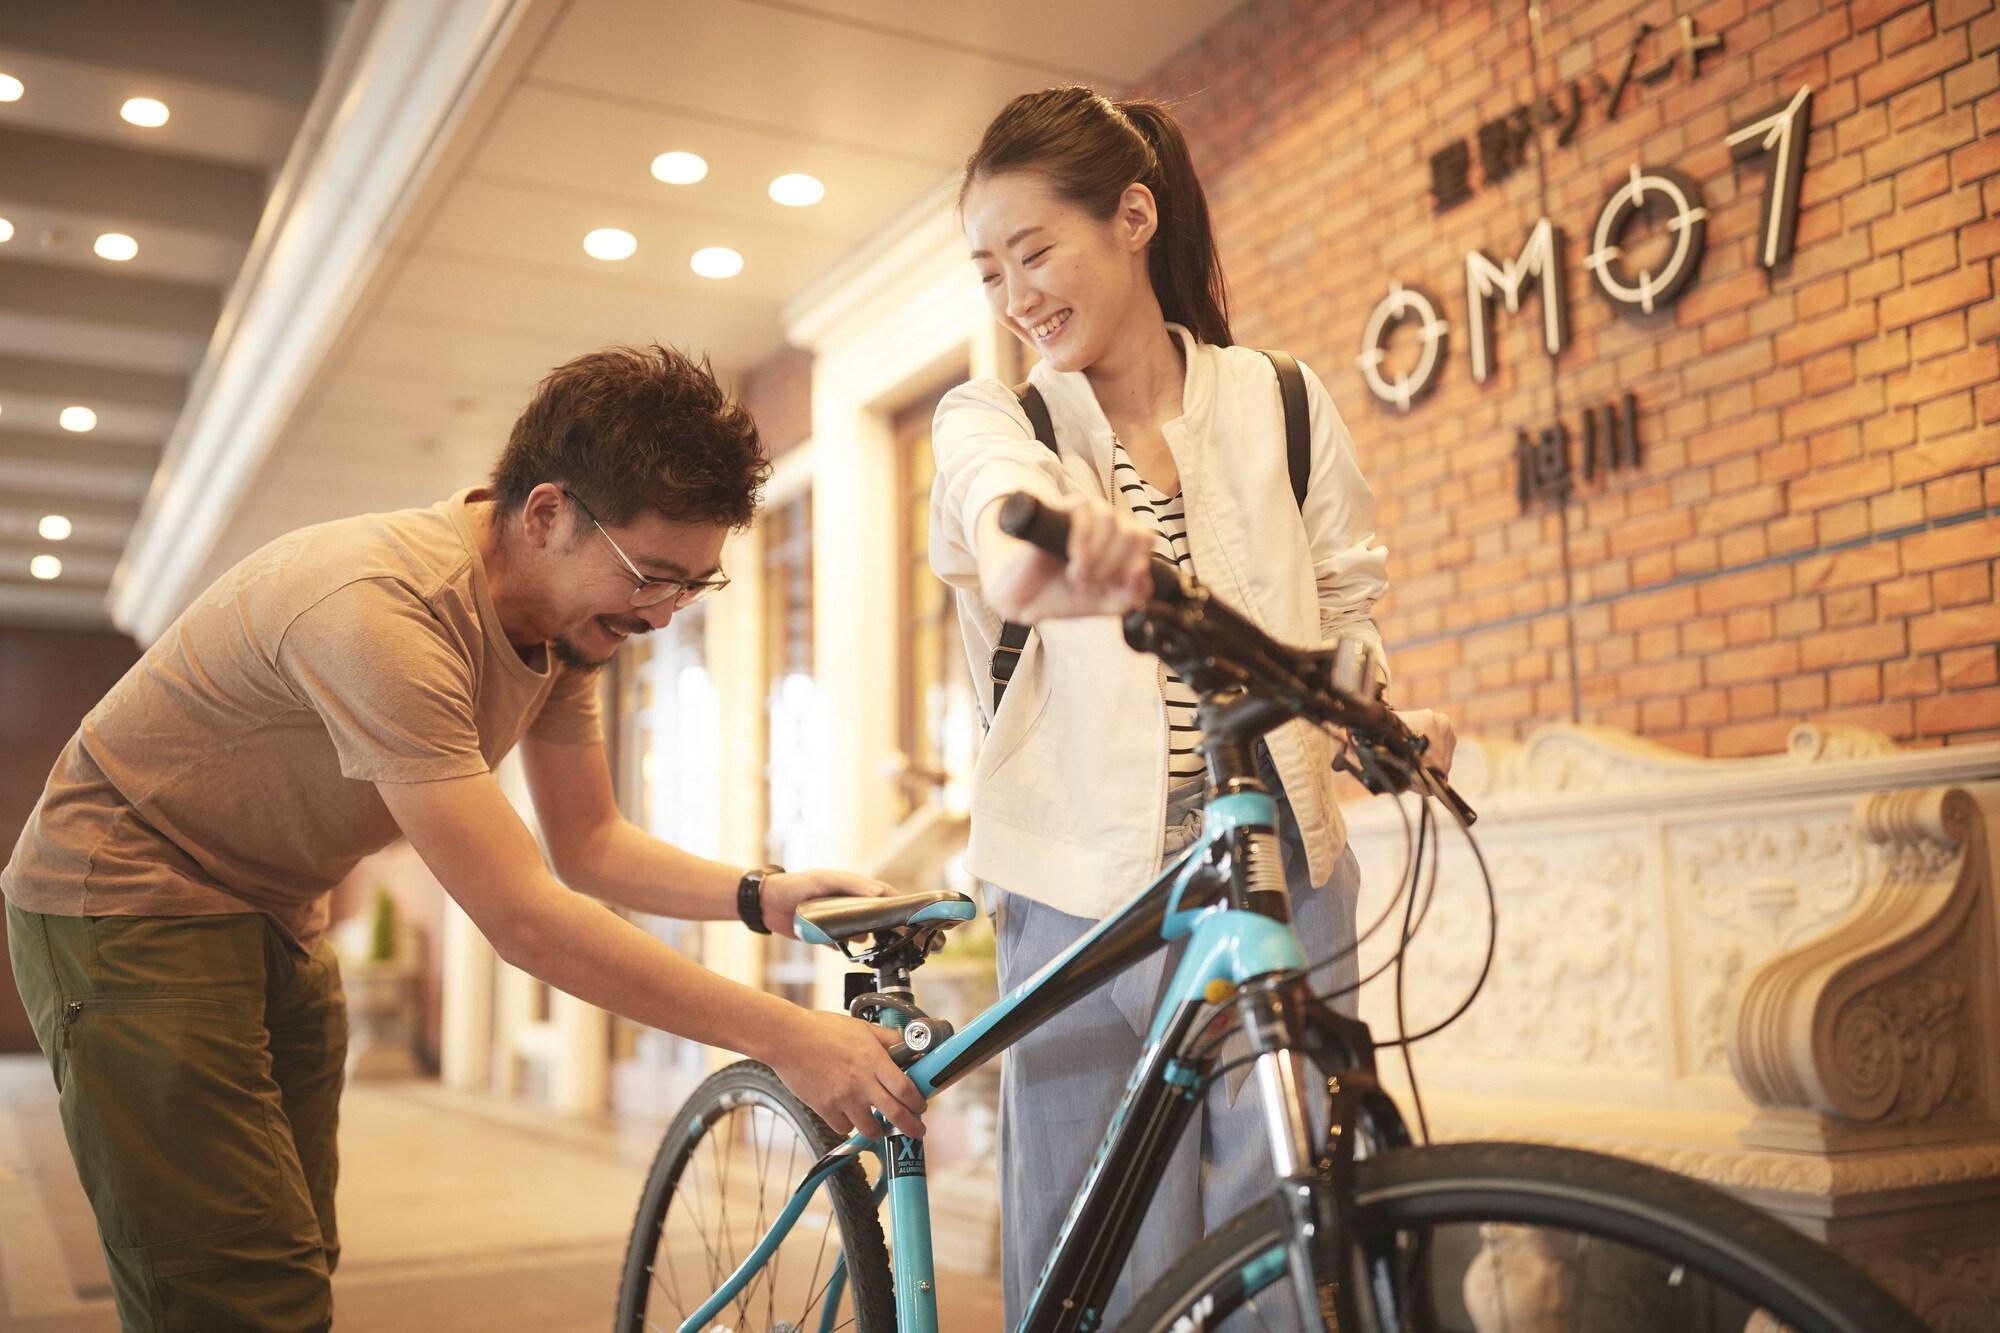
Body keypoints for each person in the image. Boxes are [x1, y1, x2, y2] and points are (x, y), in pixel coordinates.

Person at [3, 344, 926, 1332]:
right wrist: (785, 1033)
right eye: (652, 577)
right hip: (127, 896)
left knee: (294, 1252)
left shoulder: (570, 623)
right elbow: (523, 917)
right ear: (545, 513)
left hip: (274, 905)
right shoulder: (378, 613)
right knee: (233, 1284)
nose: (662, 613)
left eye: (692, 587)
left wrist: (760, 896)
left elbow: (590, 843)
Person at [928, 86, 1456, 1326]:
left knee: (1292, 1247)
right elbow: (997, 525)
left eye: (1034, 252)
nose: (1015, 297)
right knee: (1097, 1272)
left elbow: (1341, 609)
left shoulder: (1277, 400)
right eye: (988, 270)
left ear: (1129, 217)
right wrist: (1051, 558)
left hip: (1280, 867)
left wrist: (1377, 717)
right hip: (1074, 893)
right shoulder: (995, 414)